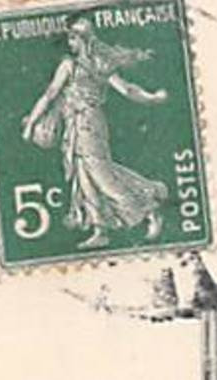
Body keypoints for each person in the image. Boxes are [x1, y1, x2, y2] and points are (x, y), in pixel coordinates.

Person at [20, 15, 171, 250]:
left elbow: (127, 89)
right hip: (74, 125)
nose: (70, 43)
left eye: (74, 38)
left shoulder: (98, 66)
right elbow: (50, 94)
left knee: (101, 174)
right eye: (69, 38)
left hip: (90, 123)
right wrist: (32, 121)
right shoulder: (69, 65)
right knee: (84, 176)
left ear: (85, 41)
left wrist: (151, 98)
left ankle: (149, 210)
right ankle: (100, 230)